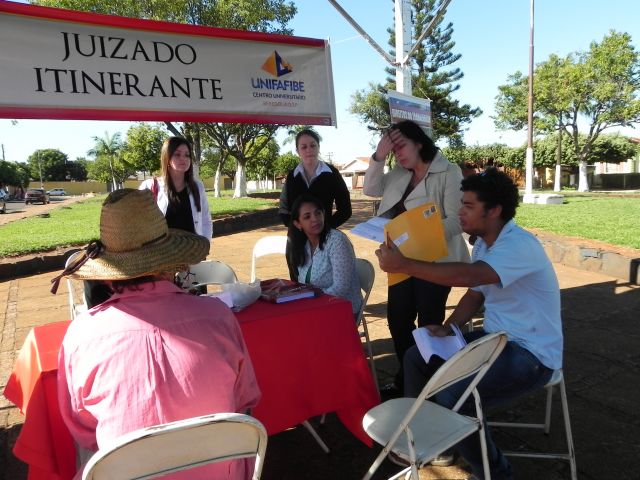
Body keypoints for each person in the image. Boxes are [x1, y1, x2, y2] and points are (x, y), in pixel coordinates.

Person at [53, 189, 260, 479]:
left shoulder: (81, 335)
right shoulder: (219, 316)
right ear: (172, 263)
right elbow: (244, 400)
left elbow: (85, 430)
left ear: (107, 274)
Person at [375, 168, 563, 480]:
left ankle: (496, 474)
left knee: (455, 397)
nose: (460, 211)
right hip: (495, 340)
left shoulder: (519, 245)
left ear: (494, 211)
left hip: (532, 355)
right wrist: (449, 327)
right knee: (417, 357)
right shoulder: (485, 245)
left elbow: (469, 276)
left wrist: (405, 265)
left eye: (468, 206)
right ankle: (432, 444)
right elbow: (474, 295)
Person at [364, 120, 469, 394]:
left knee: (428, 325)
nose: (396, 153)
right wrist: (379, 155)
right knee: (398, 321)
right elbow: (370, 189)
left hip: (435, 262)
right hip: (400, 261)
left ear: (419, 142)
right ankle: (409, 379)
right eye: (393, 149)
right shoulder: (399, 174)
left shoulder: (448, 171)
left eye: (400, 146)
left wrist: (415, 234)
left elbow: (457, 221)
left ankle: (430, 388)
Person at [288, 193, 362, 316]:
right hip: (316, 307)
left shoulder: (337, 241)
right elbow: (302, 284)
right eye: (307, 216)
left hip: (341, 308)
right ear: (298, 224)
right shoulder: (303, 245)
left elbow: (340, 289)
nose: (315, 219)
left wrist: (310, 301)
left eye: (318, 213)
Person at [140, 136, 212, 239]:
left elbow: (206, 220)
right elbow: (139, 221)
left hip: (193, 247)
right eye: (177, 154)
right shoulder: (149, 186)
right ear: (167, 158)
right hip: (161, 248)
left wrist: (205, 243)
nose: (183, 159)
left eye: (187, 155)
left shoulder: (197, 186)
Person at [279, 128, 352, 228]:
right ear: (298, 151)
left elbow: (345, 210)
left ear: (319, 147)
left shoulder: (332, 174)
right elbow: (283, 209)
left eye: (313, 145)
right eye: (304, 147)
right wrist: (295, 227)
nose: (309, 150)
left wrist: (326, 228)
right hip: (297, 235)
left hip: (325, 236)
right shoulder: (292, 176)